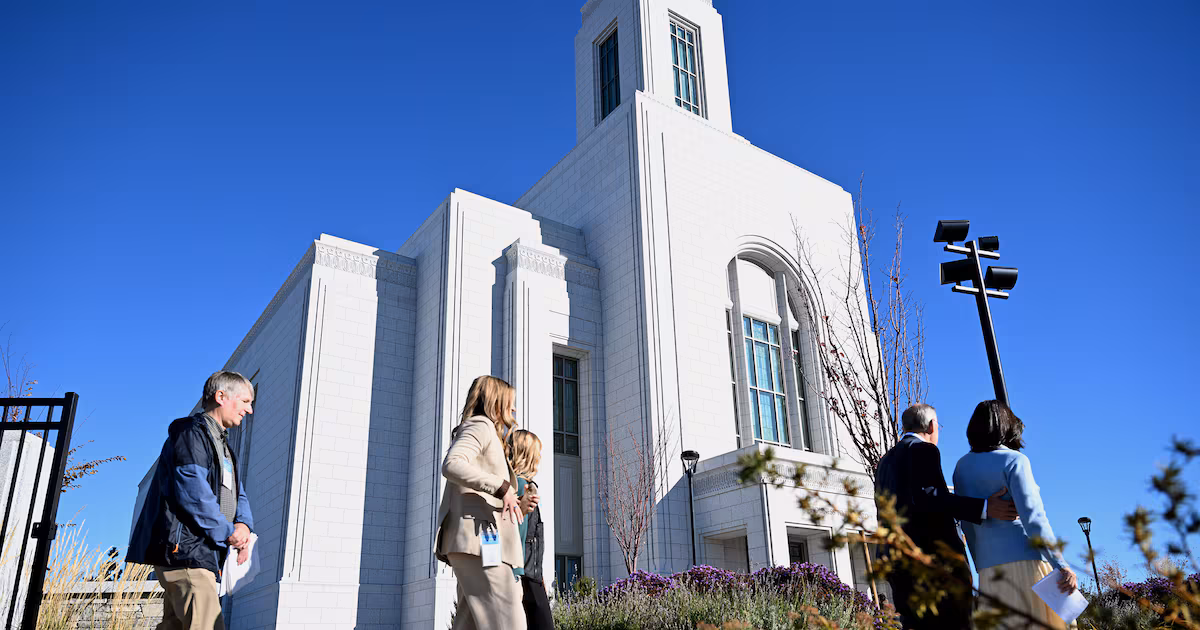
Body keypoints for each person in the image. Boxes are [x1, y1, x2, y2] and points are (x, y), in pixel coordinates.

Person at [127, 371, 255, 630]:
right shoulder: (191, 434)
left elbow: (237, 493)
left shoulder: (225, 449)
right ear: (221, 396)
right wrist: (229, 533)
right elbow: (193, 492)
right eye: (245, 401)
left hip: (200, 554)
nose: (249, 410)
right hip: (185, 553)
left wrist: (244, 525)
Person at [875, 403, 1019, 629]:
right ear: (932, 426)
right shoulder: (924, 450)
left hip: (897, 563)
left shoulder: (885, 461)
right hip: (933, 564)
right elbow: (931, 497)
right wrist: (984, 508)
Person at [953, 400, 1078, 629]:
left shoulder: (961, 467)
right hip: (1028, 565)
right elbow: (1034, 519)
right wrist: (1061, 564)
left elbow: (966, 523)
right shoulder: (1015, 460)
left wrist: (981, 565)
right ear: (1005, 426)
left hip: (989, 572)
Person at [434, 375, 526, 630]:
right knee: (511, 622)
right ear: (495, 401)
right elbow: (452, 464)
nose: (514, 410)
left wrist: (515, 498)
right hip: (478, 540)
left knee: (468, 623)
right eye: (510, 403)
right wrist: (501, 487)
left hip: (481, 542)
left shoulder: (486, 431)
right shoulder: (480, 426)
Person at [507, 429, 552, 629]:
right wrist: (517, 574)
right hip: (524, 574)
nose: (540, 458)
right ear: (527, 454)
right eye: (538, 452)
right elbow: (517, 531)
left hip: (527, 572)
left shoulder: (516, 485)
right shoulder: (522, 487)